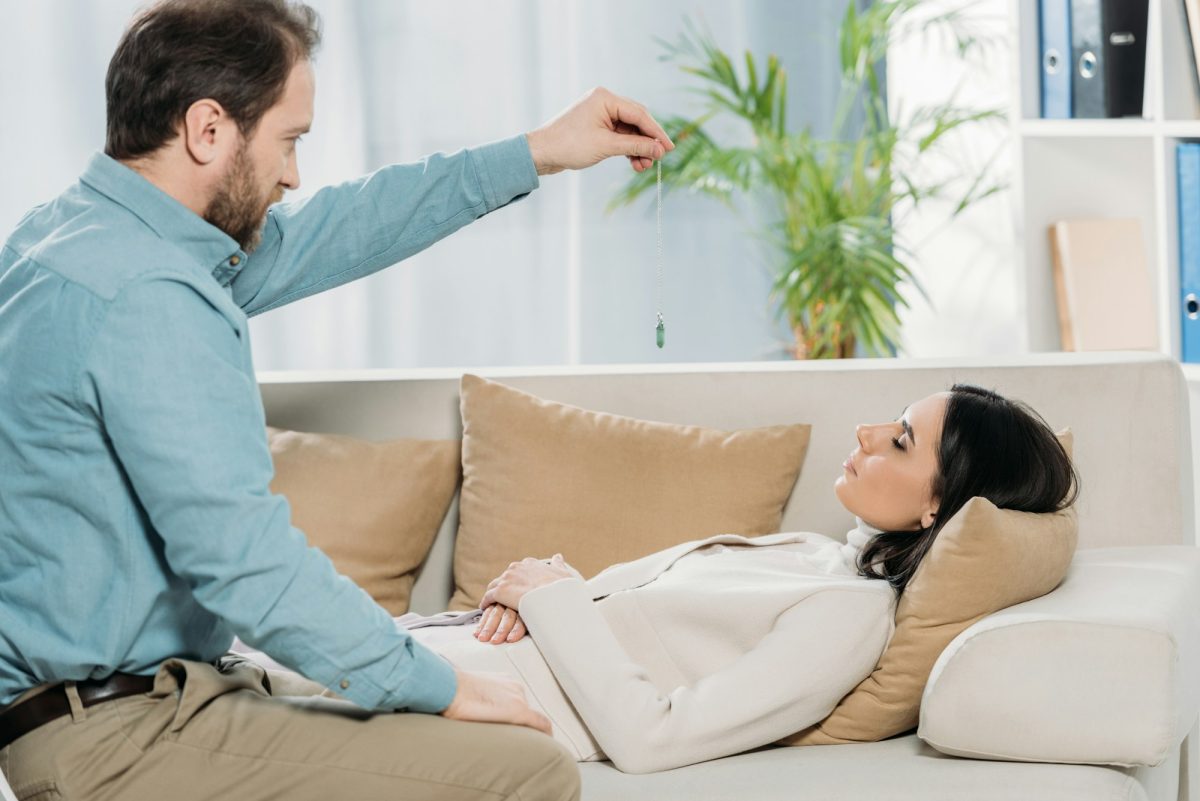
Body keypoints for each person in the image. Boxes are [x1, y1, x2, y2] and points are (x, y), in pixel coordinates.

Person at [0, 0, 674, 799]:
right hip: (126, 735)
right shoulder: (147, 293)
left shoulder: (69, 237)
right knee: (527, 771)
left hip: (122, 703)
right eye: (289, 140)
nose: (293, 174)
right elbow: (248, 566)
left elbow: (339, 227)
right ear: (208, 129)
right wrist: (441, 686)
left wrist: (541, 151)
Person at [295, 384, 1073, 774]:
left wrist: (553, 597)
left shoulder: (850, 618)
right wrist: (538, 592)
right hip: (451, 647)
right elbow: (622, 614)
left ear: (940, 505)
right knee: (209, 654)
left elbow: (653, 735)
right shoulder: (810, 551)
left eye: (899, 441)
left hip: (475, 704)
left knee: (208, 691)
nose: (867, 432)